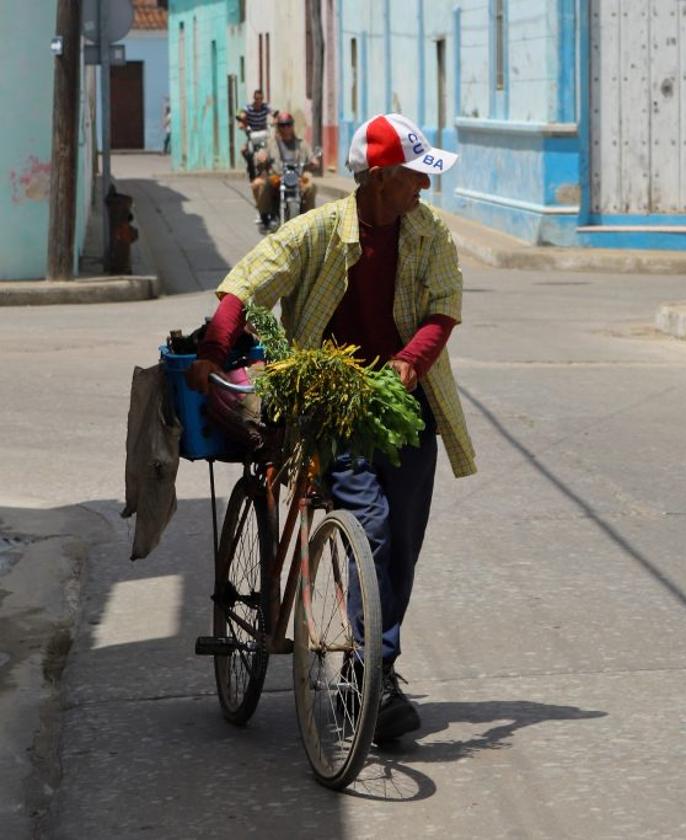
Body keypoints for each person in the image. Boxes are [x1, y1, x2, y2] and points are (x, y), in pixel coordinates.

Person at [185, 113, 476, 743]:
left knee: (402, 539)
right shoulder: (317, 232)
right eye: (413, 178)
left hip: (404, 400)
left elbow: (442, 310)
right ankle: (369, 676)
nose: (423, 190)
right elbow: (247, 284)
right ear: (378, 179)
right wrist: (214, 348)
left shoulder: (430, 234)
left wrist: (406, 364)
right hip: (329, 400)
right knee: (368, 528)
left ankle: (376, 671)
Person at [249, 112, 319, 226]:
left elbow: (311, 157)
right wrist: (261, 157)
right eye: (282, 125)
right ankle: (265, 214)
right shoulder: (271, 143)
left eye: (288, 124)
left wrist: (314, 161)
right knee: (265, 183)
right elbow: (261, 154)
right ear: (278, 127)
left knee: (311, 185)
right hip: (278, 176)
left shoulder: (301, 143)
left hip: (298, 177)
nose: (286, 128)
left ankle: (309, 217)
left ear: (292, 125)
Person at [236, 89, 274, 180]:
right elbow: (241, 114)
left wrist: (276, 120)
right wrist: (242, 120)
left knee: (272, 150)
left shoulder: (265, 107)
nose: (258, 101)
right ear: (254, 98)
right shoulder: (248, 108)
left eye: (260, 99)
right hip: (252, 134)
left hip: (263, 134)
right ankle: (250, 165)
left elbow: (274, 113)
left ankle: (270, 168)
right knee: (244, 151)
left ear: (262, 99)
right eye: (257, 98)